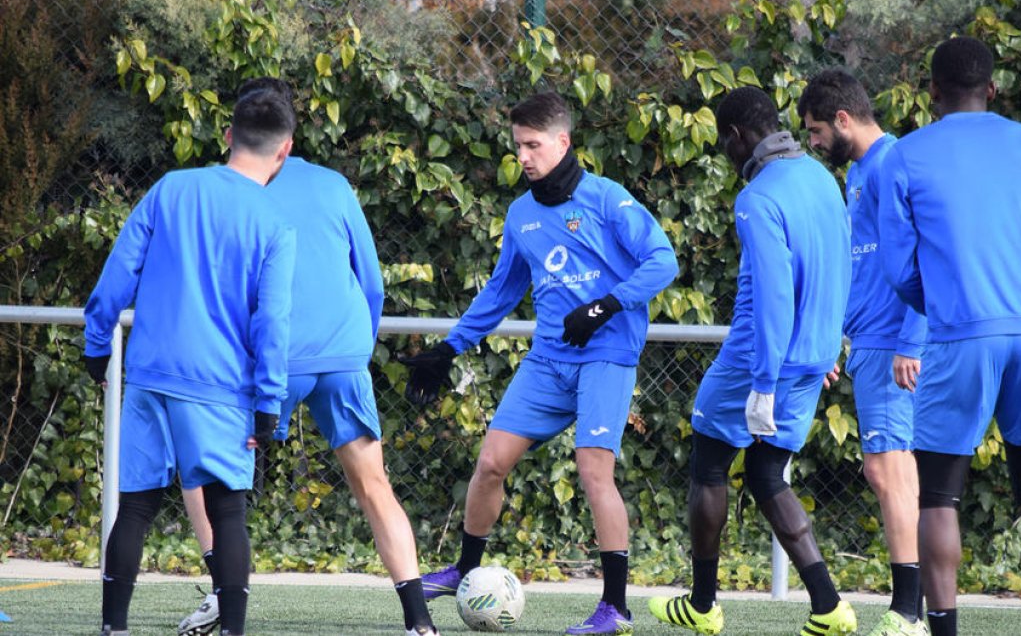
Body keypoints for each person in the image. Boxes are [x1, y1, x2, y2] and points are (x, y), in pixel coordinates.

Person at [403, 91, 678, 635]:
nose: (524, 156)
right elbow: (501, 292)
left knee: (594, 471)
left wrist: (602, 307)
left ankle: (615, 608)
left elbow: (663, 260)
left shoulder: (605, 199)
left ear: (562, 142)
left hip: (607, 355)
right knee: (490, 464)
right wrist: (447, 349)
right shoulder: (522, 214)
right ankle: (465, 569)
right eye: (517, 146)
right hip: (549, 360)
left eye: (533, 145)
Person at [175, 78, 440, 636]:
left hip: (270, 360)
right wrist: (353, 348)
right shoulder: (335, 184)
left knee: (205, 479)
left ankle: (224, 598)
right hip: (344, 357)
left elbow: (221, 291)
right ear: (289, 135)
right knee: (375, 487)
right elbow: (370, 281)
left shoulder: (226, 188)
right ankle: (419, 621)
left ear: (237, 128)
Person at [877, 36, 1021, 636]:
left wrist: (942, 306)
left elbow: (898, 268)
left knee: (938, 497)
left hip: (962, 332)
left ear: (931, 91)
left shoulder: (903, 157)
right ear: (991, 89)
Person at [83, 88, 298, 636]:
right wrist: (269, 403)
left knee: (134, 509)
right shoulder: (276, 226)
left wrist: (97, 344)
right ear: (284, 151)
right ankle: (232, 632)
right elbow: (271, 324)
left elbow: (117, 274)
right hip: (224, 390)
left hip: (151, 377)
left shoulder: (171, 189)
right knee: (228, 514)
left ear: (227, 137)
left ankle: (114, 629)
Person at [647, 86, 856, 635]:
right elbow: (841, 268)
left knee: (710, 467)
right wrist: (825, 345)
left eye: (725, 144)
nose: (727, 155)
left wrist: (762, 381)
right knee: (766, 473)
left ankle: (702, 604)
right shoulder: (822, 178)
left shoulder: (758, 197)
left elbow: (773, 294)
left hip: (756, 361)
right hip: (811, 358)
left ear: (737, 137)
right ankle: (830, 607)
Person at [798, 69, 928, 636]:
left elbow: (929, 255)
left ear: (844, 120)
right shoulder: (858, 172)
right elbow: (857, 267)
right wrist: (829, 337)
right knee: (888, 469)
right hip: (867, 344)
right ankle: (912, 608)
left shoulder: (894, 163)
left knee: (889, 469)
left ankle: (909, 612)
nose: (811, 142)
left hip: (892, 346)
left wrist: (910, 342)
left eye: (816, 130)